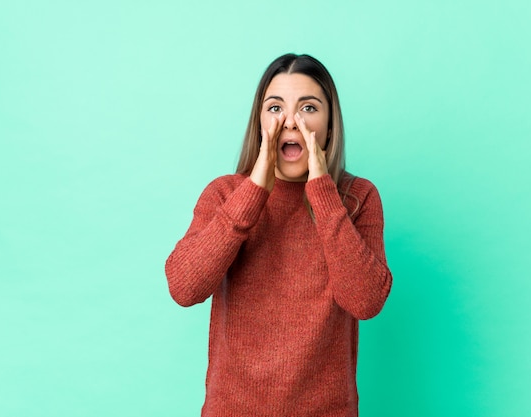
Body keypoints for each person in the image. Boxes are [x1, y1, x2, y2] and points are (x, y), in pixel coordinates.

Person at [165, 53, 393, 416]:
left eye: (308, 107)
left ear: (330, 125)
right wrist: (255, 190)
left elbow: (365, 302)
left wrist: (322, 192)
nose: (290, 121)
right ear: (259, 123)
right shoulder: (225, 194)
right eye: (275, 108)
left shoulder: (358, 198)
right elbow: (183, 287)